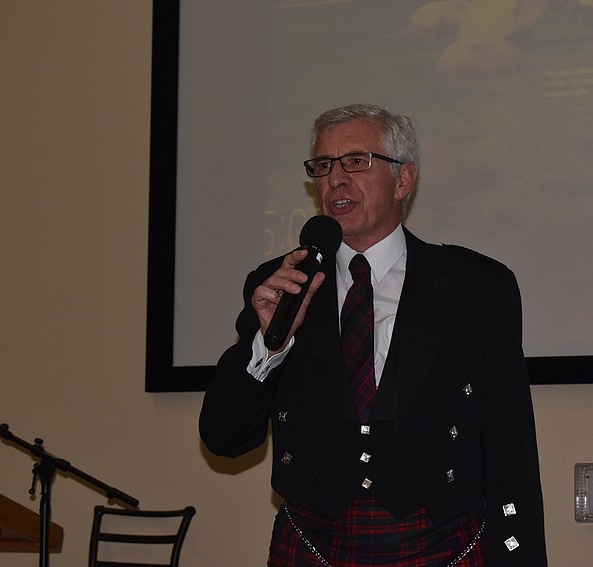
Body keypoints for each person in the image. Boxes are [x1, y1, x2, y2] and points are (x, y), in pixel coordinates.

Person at [200, 103, 547, 566]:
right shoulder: (282, 284)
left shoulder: (478, 286)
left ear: (404, 180)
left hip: (442, 543)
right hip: (312, 544)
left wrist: (517, 554)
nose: (336, 180)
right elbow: (225, 438)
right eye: (323, 165)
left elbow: (510, 443)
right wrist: (269, 343)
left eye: (357, 162)